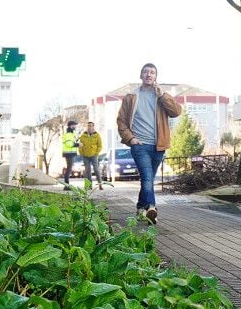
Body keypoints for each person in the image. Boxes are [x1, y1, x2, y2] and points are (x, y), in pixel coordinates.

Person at [117, 63, 182, 224]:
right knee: (147, 177)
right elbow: (121, 121)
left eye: (152, 72)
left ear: (155, 77)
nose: (148, 75)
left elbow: (176, 112)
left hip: (158, 146)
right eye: (145, 72)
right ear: (141, 75)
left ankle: (140, 207)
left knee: (149, 179)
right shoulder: (131, 97)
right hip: (139, 145)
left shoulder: (161, 96)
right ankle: (151, 208)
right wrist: (131, 139)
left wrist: (162, 97)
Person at [78, 121, 105, 190]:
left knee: (96, 170)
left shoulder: (97, 135)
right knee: (87, 171)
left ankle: (100, 184)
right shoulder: (83, 135)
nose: (89, 127)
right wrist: (81, 153)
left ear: (93, 127)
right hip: (85, 156)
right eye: (88, 126)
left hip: (94, 155)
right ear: (87, 127)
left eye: (91, 126)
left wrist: (96, 153)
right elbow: (80, 145)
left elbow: (100, 146)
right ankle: (88, 186)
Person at [61, 121, 80, 188]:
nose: (75, 127)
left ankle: (67, 185)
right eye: (75, 125)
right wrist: (78, 144)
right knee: (69, 169)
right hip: (69, 153)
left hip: (69, 153)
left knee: (69, 169)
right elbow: (69, 144)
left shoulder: (71, 134)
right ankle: (66, 186)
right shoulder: (69, 134)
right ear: (71, 126)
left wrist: (77, 140)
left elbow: (71, 142)